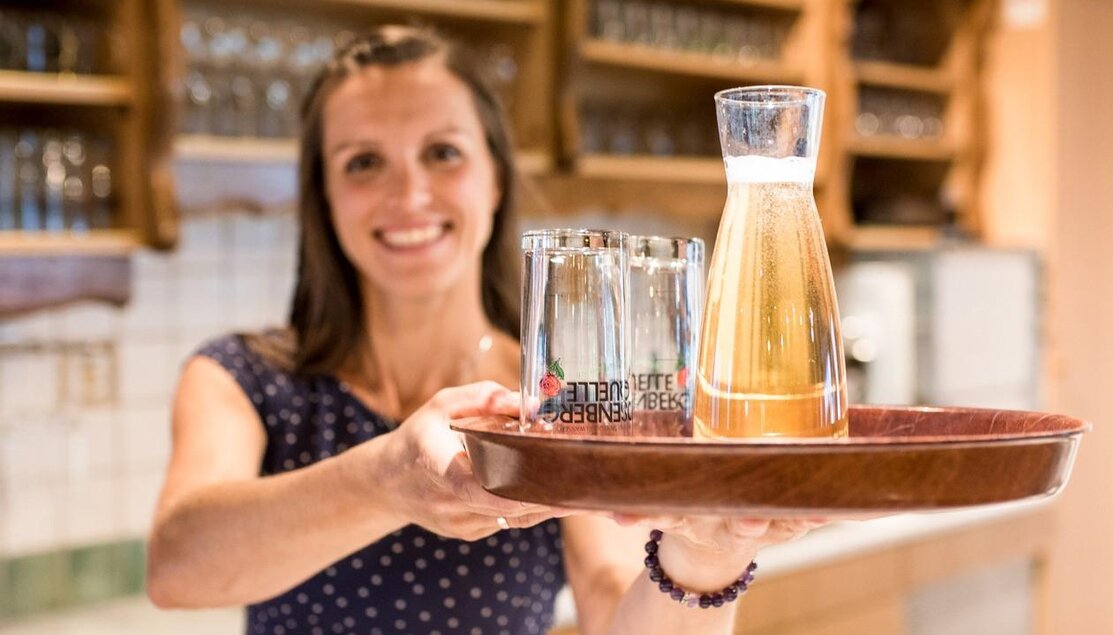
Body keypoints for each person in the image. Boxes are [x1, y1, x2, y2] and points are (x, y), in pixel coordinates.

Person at [146, 25, 822, 635]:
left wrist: (707, 554)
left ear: (496, 178)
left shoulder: (556, 403)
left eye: (443, 152)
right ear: (324, 197)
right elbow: (177, 566)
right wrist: (385, 477)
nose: (409, 194)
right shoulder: (244, 377)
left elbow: (614, 604)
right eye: (363, 162)